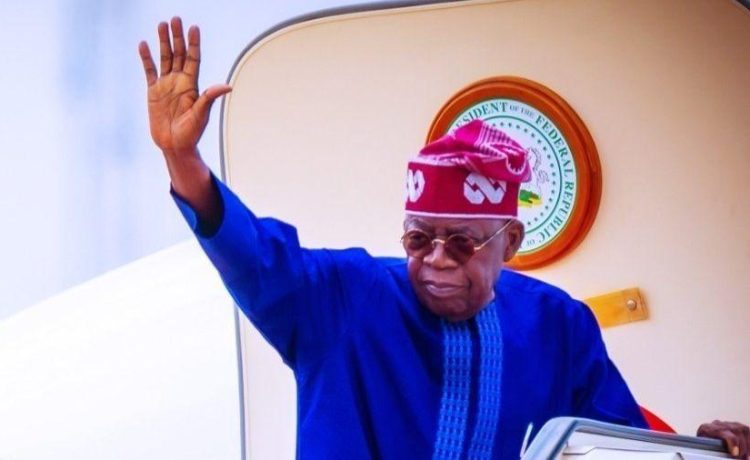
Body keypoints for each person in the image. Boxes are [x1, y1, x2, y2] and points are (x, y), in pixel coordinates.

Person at [138, 16, 750, 460]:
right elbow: (254, 259)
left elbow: (617, 448)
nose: (436, 259)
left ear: (510, 241)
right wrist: (182, 159)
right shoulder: (344, 298)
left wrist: (700, 450)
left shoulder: (558, 326)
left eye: (462, 242)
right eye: (418, 238)